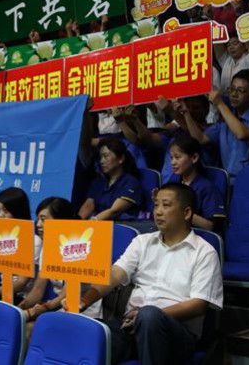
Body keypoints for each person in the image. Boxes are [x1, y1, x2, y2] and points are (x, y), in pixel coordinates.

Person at [65, 183, 223, 365]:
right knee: (91, 335)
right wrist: (85, 300)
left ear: (187, 213)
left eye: (166, 205)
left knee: (149, 316)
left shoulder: (204, 252)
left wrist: (144, 316)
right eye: (156, 205)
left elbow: (198, 305)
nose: (158, 212)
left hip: (176, 333)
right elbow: (115, 274)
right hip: (130, 325)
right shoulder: (142, 242)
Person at [184, 70, 249, 178]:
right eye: (232, 89)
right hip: (230, 180)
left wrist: (219, 104)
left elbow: (242, 134)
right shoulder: (227, 119)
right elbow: (200, 139)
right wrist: (185, 113)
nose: (233, 94)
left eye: (240, 91)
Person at [167, 135, 225, 230]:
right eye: (171, 158)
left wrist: (182, 212)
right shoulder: (173, 182)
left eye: (177, 157)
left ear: (194, 158)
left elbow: (210, 226)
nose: (173, 162)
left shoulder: (207, 188)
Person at [78, 138, 143, 221]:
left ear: (121, 159)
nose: (101, 161)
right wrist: (77, 221)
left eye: (106, 156)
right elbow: (89, 205)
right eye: (100, 157)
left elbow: (114, 211)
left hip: (121, 225)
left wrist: (92, 222)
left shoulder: (131, 183)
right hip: (98, 223)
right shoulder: (98, 182)